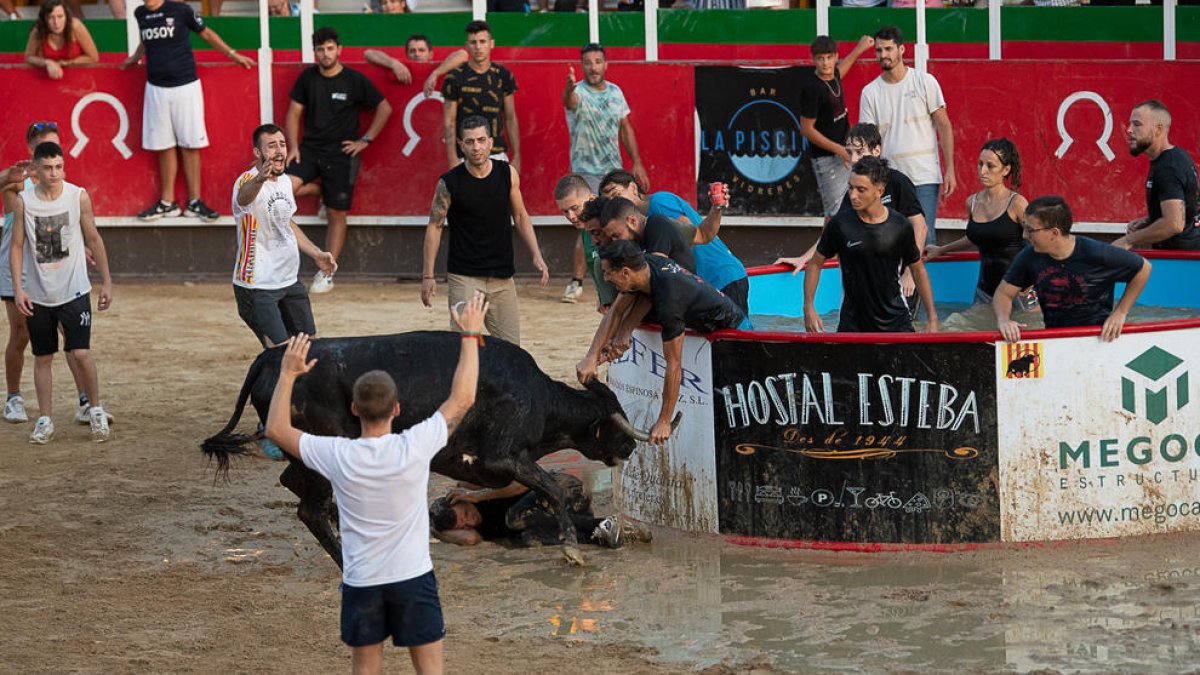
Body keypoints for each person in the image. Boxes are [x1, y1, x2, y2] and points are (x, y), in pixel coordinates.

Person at [264, 293, 490, 675]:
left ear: (354, 409)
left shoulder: (338, 454)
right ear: (397, 409)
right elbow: (463, 398)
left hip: (362, 582)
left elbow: (275, 429)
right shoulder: (415, 446)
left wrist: (287, 374)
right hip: (412, 578)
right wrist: (470, 334)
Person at [579, 240, 744, 444]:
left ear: (625, 272)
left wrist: (664, 421)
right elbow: (617, 311)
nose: (605, 278)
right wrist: (592, 356)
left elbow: (674, 364)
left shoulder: (670, 301)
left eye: (607, 273)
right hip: (706, 317)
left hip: (732, 329)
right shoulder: (645, 265)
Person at [9, 142, 113, 444]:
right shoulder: (24, 202)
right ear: (35, 170)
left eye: (58, 167)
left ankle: (95, 409)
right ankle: (45, 419)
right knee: (42, 356)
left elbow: (93, 238)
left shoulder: (77, 196)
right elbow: (17, 246)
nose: (54, 173)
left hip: (74, 290)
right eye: (47, 168)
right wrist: (18, 289)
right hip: (38, 294)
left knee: (80, 352)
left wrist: (106, 281)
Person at [420, 116, 548, 346]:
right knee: (466, 345)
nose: (476, 147)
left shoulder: (507, 174)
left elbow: (520, 216)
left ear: (491, 142)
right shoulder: (449, 183)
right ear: (461, 145)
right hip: (464, 278)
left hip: (502, 278)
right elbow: (435, 226)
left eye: (481, 140)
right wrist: (428, 276)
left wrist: (536, 254)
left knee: (511, 350)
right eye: (469, 142)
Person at [121, 0, 253, 222]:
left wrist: (233, 54)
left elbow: (206, 34)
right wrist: (135, 58)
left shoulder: (181, 10)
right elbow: (146, 41)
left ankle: (195, 202)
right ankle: (167, 203)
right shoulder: (140, 13)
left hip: (185, 86)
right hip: (155, 88)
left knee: (190, 144)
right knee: (164, 146)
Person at [286, 27, 393, 294]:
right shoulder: (307, 78)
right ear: (315, 52)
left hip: (341, 154)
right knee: (284, 189)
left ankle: (327, 273)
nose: (326, 53)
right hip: (309, 151)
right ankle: (322, 191)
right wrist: (293, 147)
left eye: (330, 48)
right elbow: (293, 113)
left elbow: (385, 108)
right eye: (320, 49)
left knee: (336, 213)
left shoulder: (354, 80)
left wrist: (365, 140)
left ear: (339, 49)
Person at [775, 123, 927, 294]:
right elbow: (834, 232)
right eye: (849, 152)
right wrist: (804, 258)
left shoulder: (898, 182)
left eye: (860, 152)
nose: (853, 159)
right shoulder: (853, 193)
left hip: (902, 276)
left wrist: (910, 273)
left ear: (876, 151)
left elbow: (920, 226)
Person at [803, 156, 937, 334]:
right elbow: (815, 264)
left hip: (896, 324)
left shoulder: (900, 226)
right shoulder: (840, 225)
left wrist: (932, 318)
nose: (853, 195)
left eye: (861, 190)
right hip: (852, 325)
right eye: (850, 188)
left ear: (879, 191)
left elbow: (918, 270)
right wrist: (809, 307)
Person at [232, 123, 337, 348]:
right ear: (258, 153)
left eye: (282, 144)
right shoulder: (247, 181)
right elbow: (243, 198)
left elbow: (286, 222)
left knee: (308, 346)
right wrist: (260, 179)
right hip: (257, 284)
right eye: (272, 146)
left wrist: (316, 253)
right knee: (279, 352)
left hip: (289, 279)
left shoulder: (286, 182)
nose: (279, 150)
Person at [560, 42, 649, 303]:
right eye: (588, 63)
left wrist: (637, 161)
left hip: (613, 173)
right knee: (588, 226)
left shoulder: (615, 92)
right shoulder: (577, 91)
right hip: (586, 172)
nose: (593, 67)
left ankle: (620, 274)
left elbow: (625, 128)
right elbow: (569, 100)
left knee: (616, 223)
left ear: (606, 64)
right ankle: (577, 281)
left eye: (597, 62)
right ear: (582, 66)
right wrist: (568, 86)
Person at [995, 196, 1151, 343]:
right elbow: (1003, 293)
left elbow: (1144, 268)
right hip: (1054, 338)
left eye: (1030, 230)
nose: (1024, 235)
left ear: (1054, 233)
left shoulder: (1096, 253)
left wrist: (1121, 313)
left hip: (1099, 337)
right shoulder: (1029, 256)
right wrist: (1004, 320)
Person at [599, 171, 748, 316]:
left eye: (616, 194)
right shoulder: (635, 227)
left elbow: (689, 240)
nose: (613, 203)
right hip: (703, 286)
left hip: (721, 276)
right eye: (608, 202)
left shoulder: (658, 204)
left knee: (736, 331)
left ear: (633, 188)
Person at [858, 25, 956, 243]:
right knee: (890, 241)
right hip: (889, 178)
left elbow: (944, 125)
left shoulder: (925, 81)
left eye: (888, 49)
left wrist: (950, 169)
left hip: (924, 176)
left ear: (901, 49)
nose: (883, 54)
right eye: (879, 50)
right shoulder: (870, 92)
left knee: (925, 240)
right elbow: (867, 141)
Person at [925, 138, 1035, 309]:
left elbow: (1037, 240)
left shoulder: (1017, 203)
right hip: (985, 291)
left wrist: (1032, 278)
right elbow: (975, 237)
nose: (983, 171)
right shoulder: (972, 202)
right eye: (980, 164)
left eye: (990, 166)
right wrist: (941, 250)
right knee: (962, 323)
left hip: (1018, 291)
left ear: (1006, 170)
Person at [429, 474, 634, 548]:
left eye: (465, 514)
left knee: (513, 519)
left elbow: (524, 480)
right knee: (527, 539)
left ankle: (600, 522)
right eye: (464, 525)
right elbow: (470, 539)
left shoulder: (469, 486)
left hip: (563, 491)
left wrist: (479, 495)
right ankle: (601, 536)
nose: (470, 522)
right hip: (567, 517)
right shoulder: (468, 528)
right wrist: (436, 532)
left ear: (459, 498)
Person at [800, 34, 874, 219]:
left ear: (835, 57)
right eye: (820, 58)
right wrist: (839, 150)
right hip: (827, 159)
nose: (825, 63)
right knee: (835, 213)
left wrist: (860, 48)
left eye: (829, 57)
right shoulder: (812, 88)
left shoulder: (834, 76)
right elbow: (806, 129)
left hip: (844, 153)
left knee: (850, 207)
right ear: (813, 59)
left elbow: (842, 69)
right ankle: (828, 240)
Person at [1112, 100, 1200, 251]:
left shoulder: (1168, 167)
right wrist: (1152, 220)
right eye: (1130, 124)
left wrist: (1129, 240)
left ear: (1158, 129)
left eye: (1137, 124)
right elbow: (1187, 208)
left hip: (1179, 259)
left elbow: (1174, 224)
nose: (1129, 130)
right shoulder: (1176, 157)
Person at [437, 21, 520, 173]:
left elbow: (510, 117)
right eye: (473, 42)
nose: (478, 47)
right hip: (465, 155)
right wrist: (452, 159)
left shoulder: (503, 75)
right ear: (467, 45)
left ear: (491, 43)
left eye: (482, 41)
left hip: (497, 153)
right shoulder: (454, 77)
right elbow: (449, 121)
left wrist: (517, 155)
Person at [552, 174, 616, 310]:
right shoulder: (585, 228)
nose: (571, 217)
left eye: (575, 208)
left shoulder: (614, 224)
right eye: (565, 211)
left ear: (592, 198)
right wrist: (603, 298)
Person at [24, 0, 97, 81]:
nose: (56, 22)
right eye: (51, 17)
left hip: (78, 78)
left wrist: (66, 63)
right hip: (47, 79)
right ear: (44, 19)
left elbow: (93, 57)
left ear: (66, 16)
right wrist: (47, 62)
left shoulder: (75, 26)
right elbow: (29, 57)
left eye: (60, 16)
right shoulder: (39, 30)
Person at [363, 34, 433, 85]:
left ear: (430, 55)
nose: (417, 54)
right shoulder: (400, 67)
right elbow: (368, 53)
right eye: (412, 51)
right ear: (407, 55)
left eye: (421, 50)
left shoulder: (437, 70)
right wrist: (394, 64)